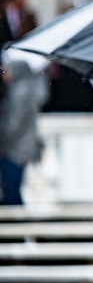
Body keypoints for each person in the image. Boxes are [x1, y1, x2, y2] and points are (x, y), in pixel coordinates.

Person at [0, 52, 45, 205]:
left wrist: (2, 138)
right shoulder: (26, 88)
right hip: (21, 149)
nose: (4, 75)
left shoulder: (20, 92)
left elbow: (12, 125)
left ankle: (19, 225)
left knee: (11, 192)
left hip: (15, 150)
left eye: (7, 71)